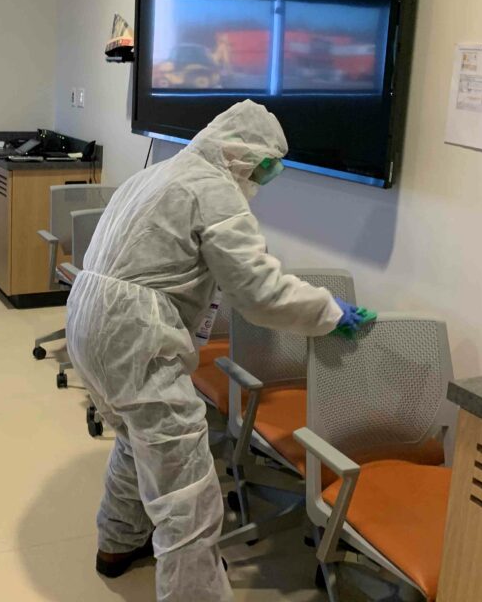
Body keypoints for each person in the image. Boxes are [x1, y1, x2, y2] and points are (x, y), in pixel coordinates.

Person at [66, 100, 366, 602]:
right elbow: (259, 293)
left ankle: (117, 544)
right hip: (132, 336)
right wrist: (328, 312)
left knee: (135, 438)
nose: (263, 178)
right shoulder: (213, 190)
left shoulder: (161, 173)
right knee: (188, 488)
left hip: (88, 320)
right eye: (266, 166)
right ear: (239, 152)